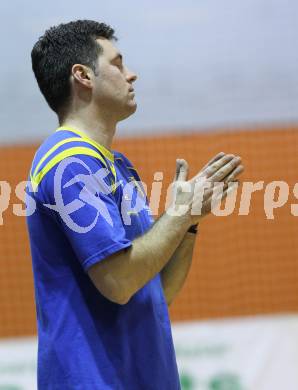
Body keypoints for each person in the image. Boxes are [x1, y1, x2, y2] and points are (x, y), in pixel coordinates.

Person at [27, 20, 243, 390]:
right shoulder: (70, 163)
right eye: (117, 63)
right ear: (83, 76)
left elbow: (154, 293)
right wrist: (178, 213)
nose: (132, 74)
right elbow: (118, 281)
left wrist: (188, 223)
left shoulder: (119, 167)